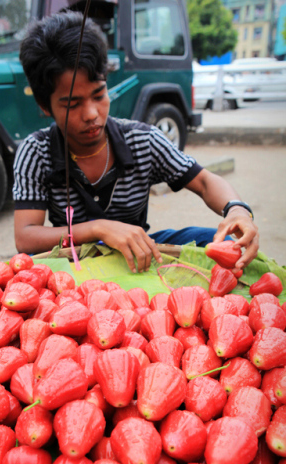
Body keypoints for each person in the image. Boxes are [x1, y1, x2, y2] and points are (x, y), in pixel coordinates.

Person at [13, 10, 259, 274]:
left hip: (140, 256)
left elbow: (205, 181)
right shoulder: (36, 152)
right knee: (25, 264)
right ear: (44, 106)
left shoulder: (143, 140)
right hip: (74, 264)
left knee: (216, 243)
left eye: (98, 95)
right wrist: (99, 228)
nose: (91, 114)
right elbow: (26, 237)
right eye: (72, 104)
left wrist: (237, 210)